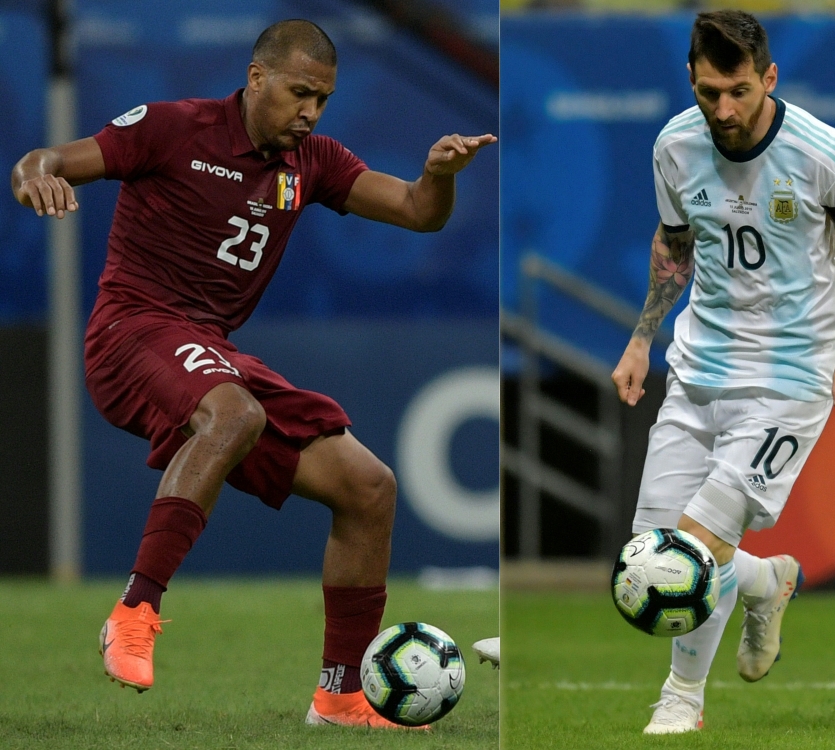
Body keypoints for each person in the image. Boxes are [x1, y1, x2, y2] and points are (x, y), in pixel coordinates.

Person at [11, 19, 495, 730]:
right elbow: (44, 158)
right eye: (301, 93)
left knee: (368, 489)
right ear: (257, 78)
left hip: (209, 350)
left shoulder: (315, 162)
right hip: (130, 331)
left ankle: (339, 698)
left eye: (324, 99)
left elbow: (419, 213)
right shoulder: (175, 128)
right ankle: (135, 609)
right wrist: (34, 180)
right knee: (236, 413)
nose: (311, 112)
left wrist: (438, 178)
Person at [611, 11, 835, 735]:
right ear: (691, 79)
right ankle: (766, 580)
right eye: (710, 92)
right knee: (646, 557)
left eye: (738, 91)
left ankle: (681, 701)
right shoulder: (675, 144)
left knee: (691, 548)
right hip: (699, 367)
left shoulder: (826, 155)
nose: (724, 110)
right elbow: (675, 244)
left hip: (791, 376)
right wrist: (642, 337)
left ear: (769, 78)